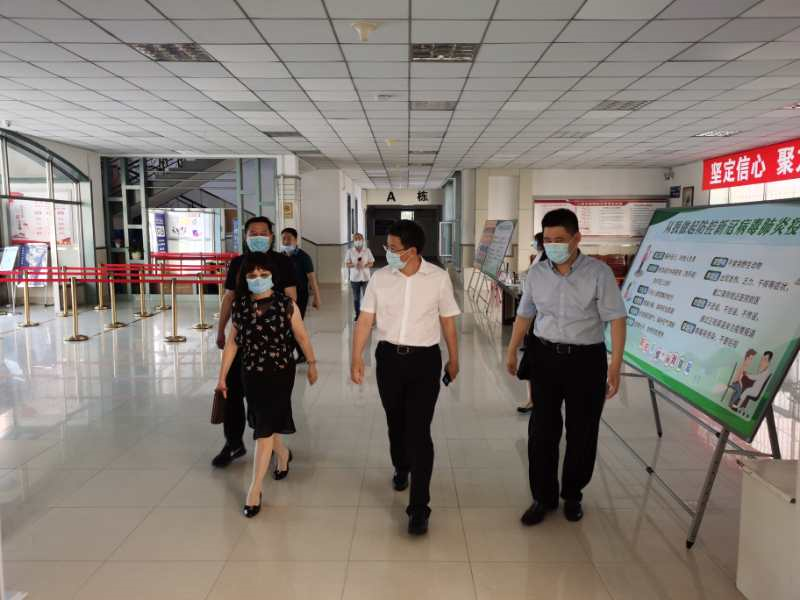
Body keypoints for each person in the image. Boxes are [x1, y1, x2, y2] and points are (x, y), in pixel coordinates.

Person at [505, 208, 626, 526]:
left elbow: (616, 318)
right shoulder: (537, 273)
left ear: (576, 239)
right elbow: (525, 314)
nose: (552, 245)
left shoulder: (598, 273)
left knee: (582, 430)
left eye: (559, 239)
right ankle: (543, 497)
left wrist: (615, 366)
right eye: (547, 240)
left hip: (586, 360)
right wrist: (511, 350)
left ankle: (573, 494)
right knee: (541, 431)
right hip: (544, 356)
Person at [351, 220, 460, 536]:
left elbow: (448, 321)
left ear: (412, 251)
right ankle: (401, 465)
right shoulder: (380, 278)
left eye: (393, 248)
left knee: (420, 431)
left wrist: (454, 359)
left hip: (425, 361)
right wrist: (357, 357)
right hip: (388, 359)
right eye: (387, 246)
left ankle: (419, 508)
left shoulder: (438, 278)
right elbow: (365, 320)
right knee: (395, 423)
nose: (387, 252)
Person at [216, 252, 318, 517]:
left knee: (263, 429)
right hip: (251, 373)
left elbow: (302, 337)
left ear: (273, 276)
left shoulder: (286, 304)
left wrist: (312, 363)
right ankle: (282, 454)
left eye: (263, 274)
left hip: (280, 373)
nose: (258, 279)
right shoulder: (240, 306)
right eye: (252, 275)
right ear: (245, 279)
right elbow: (233, 343)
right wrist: (222, 377)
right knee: (266, 424)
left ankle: (254, 490)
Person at [212, 216, 297, 469]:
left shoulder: (283, 262)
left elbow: (291, 298)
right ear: (245, 237)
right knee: (233, 391)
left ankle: (272, 444)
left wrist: (293, 335)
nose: (258, 237)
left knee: (269, 398)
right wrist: (220, 329)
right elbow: (229, 297)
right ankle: (233, 443)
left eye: (263, 232)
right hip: (243, 340)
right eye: (252, 233)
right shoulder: (238, 263)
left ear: (271, 236)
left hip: (273, 343)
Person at [281, 227, 321, 363]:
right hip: (284, 296)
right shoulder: (280, 257)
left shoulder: (303, 257)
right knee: (288, 325)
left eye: (289, 238)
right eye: (283, 238)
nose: (286, 241)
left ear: (296, 240)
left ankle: (291, 354)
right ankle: (300, 353)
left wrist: (317, 297)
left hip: (301, 296)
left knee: (294, 324)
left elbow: (312, 279)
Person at [517, 232, 547, 415]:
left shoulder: (547, 262)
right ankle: (532, 400)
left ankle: (536, 400)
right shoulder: (539, 258)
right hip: (534, 317)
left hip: (540, 319)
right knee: (531, 365)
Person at [345, 233, 375, 320]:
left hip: (365, 277)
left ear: (363, 240)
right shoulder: (350, 251)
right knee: (356, 298)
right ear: (353, 241)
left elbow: (372, 262)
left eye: (360, 239)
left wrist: (365, 265)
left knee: (367, 297)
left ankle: (366, 314)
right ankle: (358, 315)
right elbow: (347, 264)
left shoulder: (367, 250)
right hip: (354, 278)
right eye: (356, 239)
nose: (358, 241)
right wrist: (355, 265)